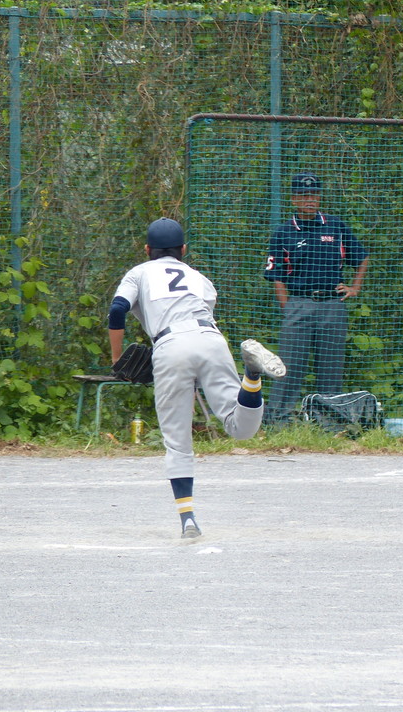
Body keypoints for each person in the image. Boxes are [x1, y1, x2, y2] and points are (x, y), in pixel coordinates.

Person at [109, 218, 286, 539]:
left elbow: (117, 309)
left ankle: (188, 519)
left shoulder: (139, 273)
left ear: (147, 249)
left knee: (178, 443)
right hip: (210, 340)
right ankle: (251, 373)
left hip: (170, 345)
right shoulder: (198, 277)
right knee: (242, 429)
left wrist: (117, 358)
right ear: (183, 250)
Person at [263, 172, 370, 424]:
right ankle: (279, 420)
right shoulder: (283, 232)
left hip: (332, 305)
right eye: (303, 195)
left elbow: (362, 257)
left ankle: (329, 423)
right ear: (294, 199)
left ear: (319, 197)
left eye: (313, 195)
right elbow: (277, 276)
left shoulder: (335, 226)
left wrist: (355, 288)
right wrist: (289, 308)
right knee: (288, 367)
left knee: (331, 368)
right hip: (298, 304)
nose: (309, 200)